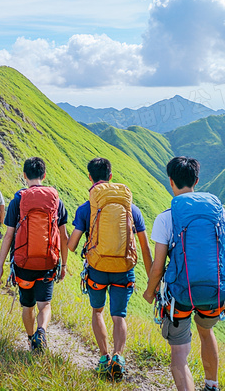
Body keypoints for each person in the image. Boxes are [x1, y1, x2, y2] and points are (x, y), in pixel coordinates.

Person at [143, 156, 225, 391]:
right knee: (206, 331)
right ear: (197, 180)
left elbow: (158, 266)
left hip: (180, 296)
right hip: (214, 294)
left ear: (170, 181)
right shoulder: (218, 213)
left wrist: (150, 291)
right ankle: (212, 385)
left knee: (179, 356)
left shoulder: (166, 217)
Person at [66, 157, 152, 382]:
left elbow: (73, 245)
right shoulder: (131, 208)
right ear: (110, 176)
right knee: (119, 315)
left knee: (98, 311)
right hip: (124, 269)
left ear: (90, 177)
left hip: (97, 269)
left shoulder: (86, 209)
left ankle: (104, 358)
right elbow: (144, 246)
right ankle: (118, 358)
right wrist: (154, 278)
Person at [0, 157, 69, 352]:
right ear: (44, 175)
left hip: (23, 264)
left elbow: (9, 235)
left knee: (27, 306)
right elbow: (63, 235)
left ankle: (30, 340)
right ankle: (42, 332)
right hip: (48, 262)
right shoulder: (55, 200)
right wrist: (64, 264)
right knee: (44, 305)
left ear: (24, 176)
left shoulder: (18, 200)